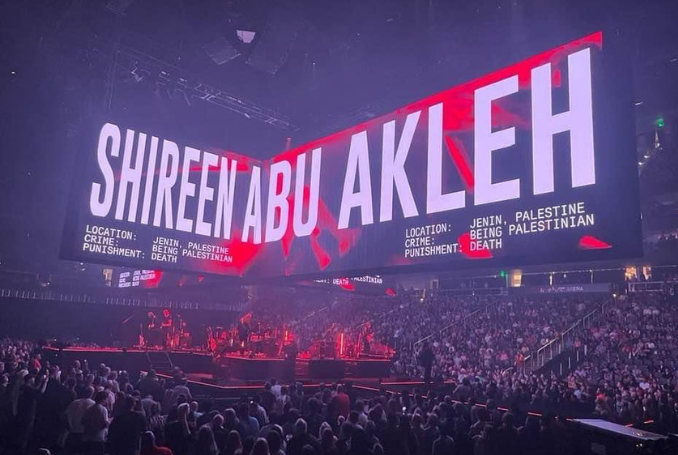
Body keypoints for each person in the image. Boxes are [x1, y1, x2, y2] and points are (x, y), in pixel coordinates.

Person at [65, 386, 96, 454]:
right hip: (85, 431)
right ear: (92, 393)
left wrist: (68, 425)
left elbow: (67, 414)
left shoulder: (75, 402)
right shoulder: (93, 404)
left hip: (74, 429)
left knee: (71, 450)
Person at [81, 391, 110, 455]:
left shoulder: (89, 408)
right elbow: (104, 423)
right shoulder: (103, 409)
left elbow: (83, 421)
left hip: (88, 437)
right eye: (107, 399)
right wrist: (109, 422)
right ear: (103, 399)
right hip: (98, 437)